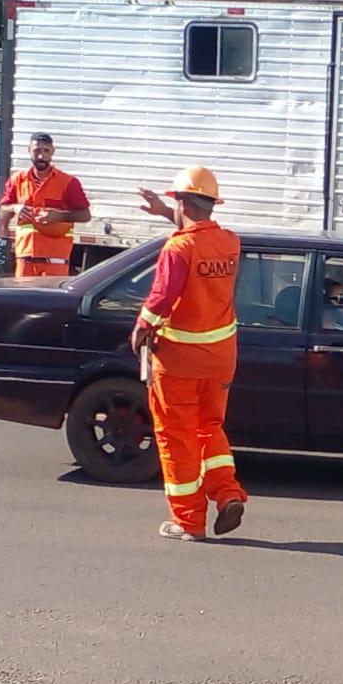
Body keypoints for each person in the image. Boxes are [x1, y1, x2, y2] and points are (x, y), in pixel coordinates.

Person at [130, 166, 245, 542]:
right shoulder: (230, 242)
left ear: (182, 202)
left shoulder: (177, 248)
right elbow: (200, 238)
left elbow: (162, 297)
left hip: (180, 359)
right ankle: (227, 493)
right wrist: (168, 212)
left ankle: (189, 521)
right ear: (212, 204)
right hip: (221, 357)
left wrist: (141, 327)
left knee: (176, 436)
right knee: (209, 427)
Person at [0, 133, 91, 277]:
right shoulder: (17, 180)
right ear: (29, 150)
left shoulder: (68, 182)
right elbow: (3, 211)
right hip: (25, 257)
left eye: (46, 150)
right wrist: (15, 208)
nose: (41, 156)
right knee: (22, 292)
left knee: (52, 293)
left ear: (53, 151)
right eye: (37, 150)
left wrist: (59, 216)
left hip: (55, 258)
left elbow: (85, 215)